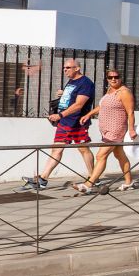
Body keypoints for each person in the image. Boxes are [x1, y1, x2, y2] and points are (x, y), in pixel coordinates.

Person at [23, 59, 96, 190]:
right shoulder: (72, 81)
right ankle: (43, 179)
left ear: (77, 68)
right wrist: (63, 94)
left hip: (77, 122)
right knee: (56, 149)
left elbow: (79, 105)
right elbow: (73, 97)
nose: (65, 70)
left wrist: (60, 115)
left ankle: (93, 178)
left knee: (83, 149)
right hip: (65, 122)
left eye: (68, 67)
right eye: (64, 68)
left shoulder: (86, 83)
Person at [75, 69, 138, 193]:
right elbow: (102, 106)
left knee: (101, 155)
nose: (113, 79)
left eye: (116, 77)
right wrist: (89, 114)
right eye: (110, 77)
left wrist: (131, 130)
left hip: (116, 129)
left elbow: (130, 112)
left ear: (121, 78)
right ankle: (129, 182)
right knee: (120, 155)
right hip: (106, 129)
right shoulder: (110, 90)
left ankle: (88, 185)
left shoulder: (124, 92)